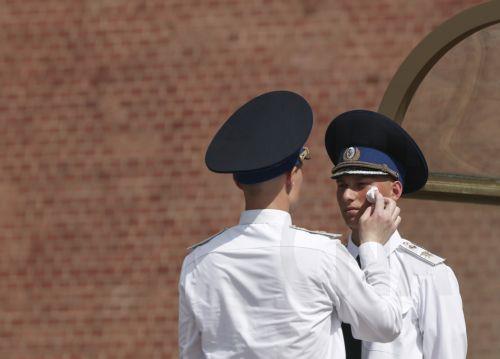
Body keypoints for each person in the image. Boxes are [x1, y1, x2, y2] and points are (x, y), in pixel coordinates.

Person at [178, 91, 403, 359]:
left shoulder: (198, 262)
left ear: (238, 182)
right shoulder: (322, 254)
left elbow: (191, 353)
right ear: (291, 176)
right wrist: (374, 247)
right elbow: (385, 324)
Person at [324, 109, 467, 359]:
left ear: (395, 190)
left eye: (360, 185)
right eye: (342, 185)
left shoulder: (429, 274)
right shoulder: (325, 263)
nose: (347, 196)